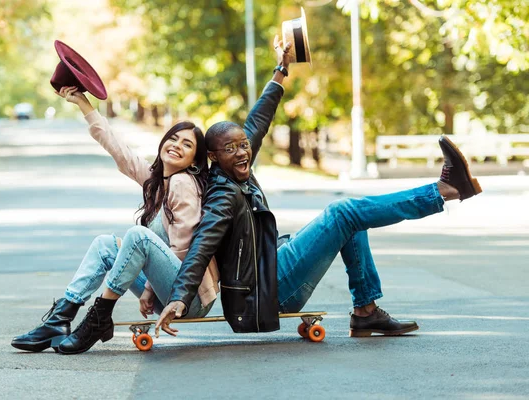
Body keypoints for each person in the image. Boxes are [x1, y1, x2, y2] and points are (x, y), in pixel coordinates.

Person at [155, 40, 482, 338]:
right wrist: (180, 298)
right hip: (265, 294)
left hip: (273, 267)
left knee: (350, 221)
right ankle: (443, 190)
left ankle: (366, 311)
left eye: (244, 146)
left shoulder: (238, 162)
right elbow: (201, 246)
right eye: (232, 149)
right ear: (213, 156)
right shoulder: (222, 194)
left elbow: (258, 120)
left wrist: (281, 69)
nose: (242, 153)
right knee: (342, 213)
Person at [11, 86, 219, 354]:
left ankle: (98, 318)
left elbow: (187, 250)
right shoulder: (156, 181)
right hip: (166, 289)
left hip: (187, 298)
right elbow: (118, 148)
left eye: (187, 144)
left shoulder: (183, 182)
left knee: (137, 236)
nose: (177, 146)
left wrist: (149, 290)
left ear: (194, 161)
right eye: (174, 138)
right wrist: (84, 104)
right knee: (105, 244)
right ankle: (60, 318)